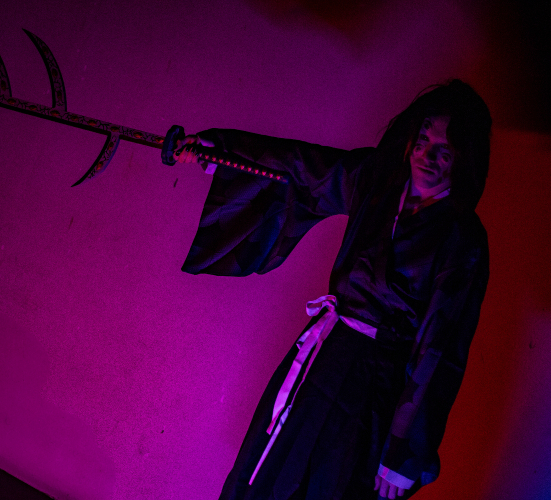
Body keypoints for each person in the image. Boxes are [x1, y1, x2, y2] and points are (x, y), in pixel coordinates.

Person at [174, 80, 492, 500]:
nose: (427, 156)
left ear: (464, 159)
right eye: (423, 139)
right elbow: (300, 166)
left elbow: (441, 348)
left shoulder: (462, 239)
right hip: (324, 354)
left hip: (378, 386)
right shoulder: (377, 182)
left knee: (333, 486)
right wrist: (219, 152)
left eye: (444, 151)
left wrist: (403, 453)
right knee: (269, 471)